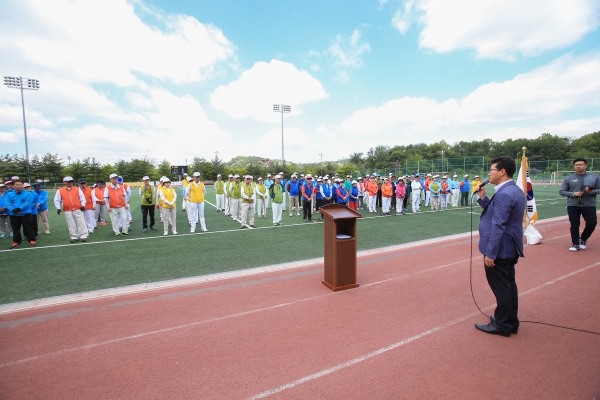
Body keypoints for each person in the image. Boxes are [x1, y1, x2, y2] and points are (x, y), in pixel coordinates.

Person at [474, 156, 526, 337]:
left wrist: (491, 253)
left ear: (502, 171)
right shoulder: (513, 190)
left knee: (502, 288)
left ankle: (503, 325)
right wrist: (483, 198)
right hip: (508, 247)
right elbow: (498, 215)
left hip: (501, 250)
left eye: (492, 170)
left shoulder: (505, 193)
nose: (489, 173)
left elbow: (498, 225)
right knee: (509, 285)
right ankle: (510, 322)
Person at [558, 158, 600, 251]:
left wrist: (591, 191)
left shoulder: (594, 177)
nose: (578, 166)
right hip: (573, 205)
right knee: (574, 224)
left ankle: (583, 239)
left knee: (592, 224)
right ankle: (575, 243)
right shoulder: (569, 178)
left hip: (589, 205)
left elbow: (599, 189)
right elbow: (561, 191)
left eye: (580, 164)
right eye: (576, 165)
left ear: (586, 166)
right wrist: (574, 194)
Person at [54, 176, 88, 243]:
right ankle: (74, 237)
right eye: (68, 182)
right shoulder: (60, 190)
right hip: (68, 209)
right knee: (71, 224)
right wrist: (58, 208)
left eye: (71, 181)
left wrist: (83, 205)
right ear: (64, 182)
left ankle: (83, 236)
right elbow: (57, 200)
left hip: (78, 209)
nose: (70, 183)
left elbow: (82, 198)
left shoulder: (77, 189)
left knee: (81, 222)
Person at [6, 178, 36, 248]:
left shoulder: (28, 193)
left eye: (20, 185)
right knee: (15, 229)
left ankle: (32, 240)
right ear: (13, 186)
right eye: (17, 185)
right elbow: (8, 203)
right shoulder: (9, 194)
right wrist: (13, 209)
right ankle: (16, 242)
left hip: (25, 214)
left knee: (28, 228)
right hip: (14, 215)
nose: (19, 186)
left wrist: (19, 209)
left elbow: (28, 202)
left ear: (23, 185)